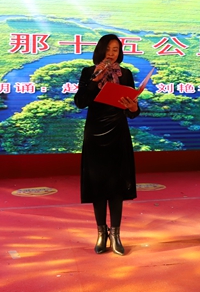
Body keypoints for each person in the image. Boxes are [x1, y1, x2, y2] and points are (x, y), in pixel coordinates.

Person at [74, 34, 140, 256]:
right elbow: (80, 102)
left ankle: (116, 234)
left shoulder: (126, 74)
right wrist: (96, 79)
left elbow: (134, 110)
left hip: (118, 131)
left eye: (115, 50)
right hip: (95, 132)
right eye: (108, 49)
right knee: (98, 185)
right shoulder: (88, 72)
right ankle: (101, 233)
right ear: (100, 50)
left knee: (116, 185)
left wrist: (133, 107)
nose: (111, 53)